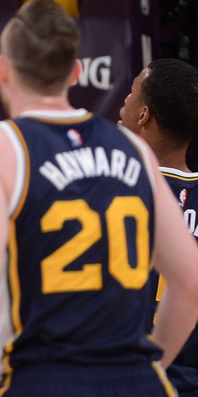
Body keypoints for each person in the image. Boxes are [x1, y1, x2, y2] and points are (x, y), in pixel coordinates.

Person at [0, 0, 198, 397]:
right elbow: (189, 280)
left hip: (48, 374)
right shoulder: (133, 152)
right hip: (134, 378)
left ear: (2, 70)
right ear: (76, 72)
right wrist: (152, 369)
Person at [120, 58, 198, 397]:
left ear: (143, 115)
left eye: (132, 92)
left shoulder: (114, 189)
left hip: (124, 378)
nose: (125, 100)